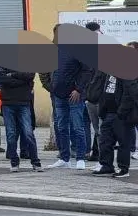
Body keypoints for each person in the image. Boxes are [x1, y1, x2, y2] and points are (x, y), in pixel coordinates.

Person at [49, 22, 96, 170]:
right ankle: (64, 158)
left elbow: (87, 71)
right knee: (61, 127)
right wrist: (52, 87)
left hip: (74, 95)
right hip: (58, 94)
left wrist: (78, 89)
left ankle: (81, 158)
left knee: (78, 126)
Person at [93, 41, 138, 178]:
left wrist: (122, 112)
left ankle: (123, 169)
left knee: (124, 141)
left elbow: (131, 92)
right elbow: (104, 88)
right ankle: (106, 165)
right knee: (105, 140)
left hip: (122, 113)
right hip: (108, 111)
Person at [0, 66, 43, 172]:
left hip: (24, 103)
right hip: (8, 103)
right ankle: (14, 162)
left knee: (28, 133)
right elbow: (2, 79)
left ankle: (35, 162)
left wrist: (12, 75)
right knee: (11, 134)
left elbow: (30, 75)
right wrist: (22, 80)